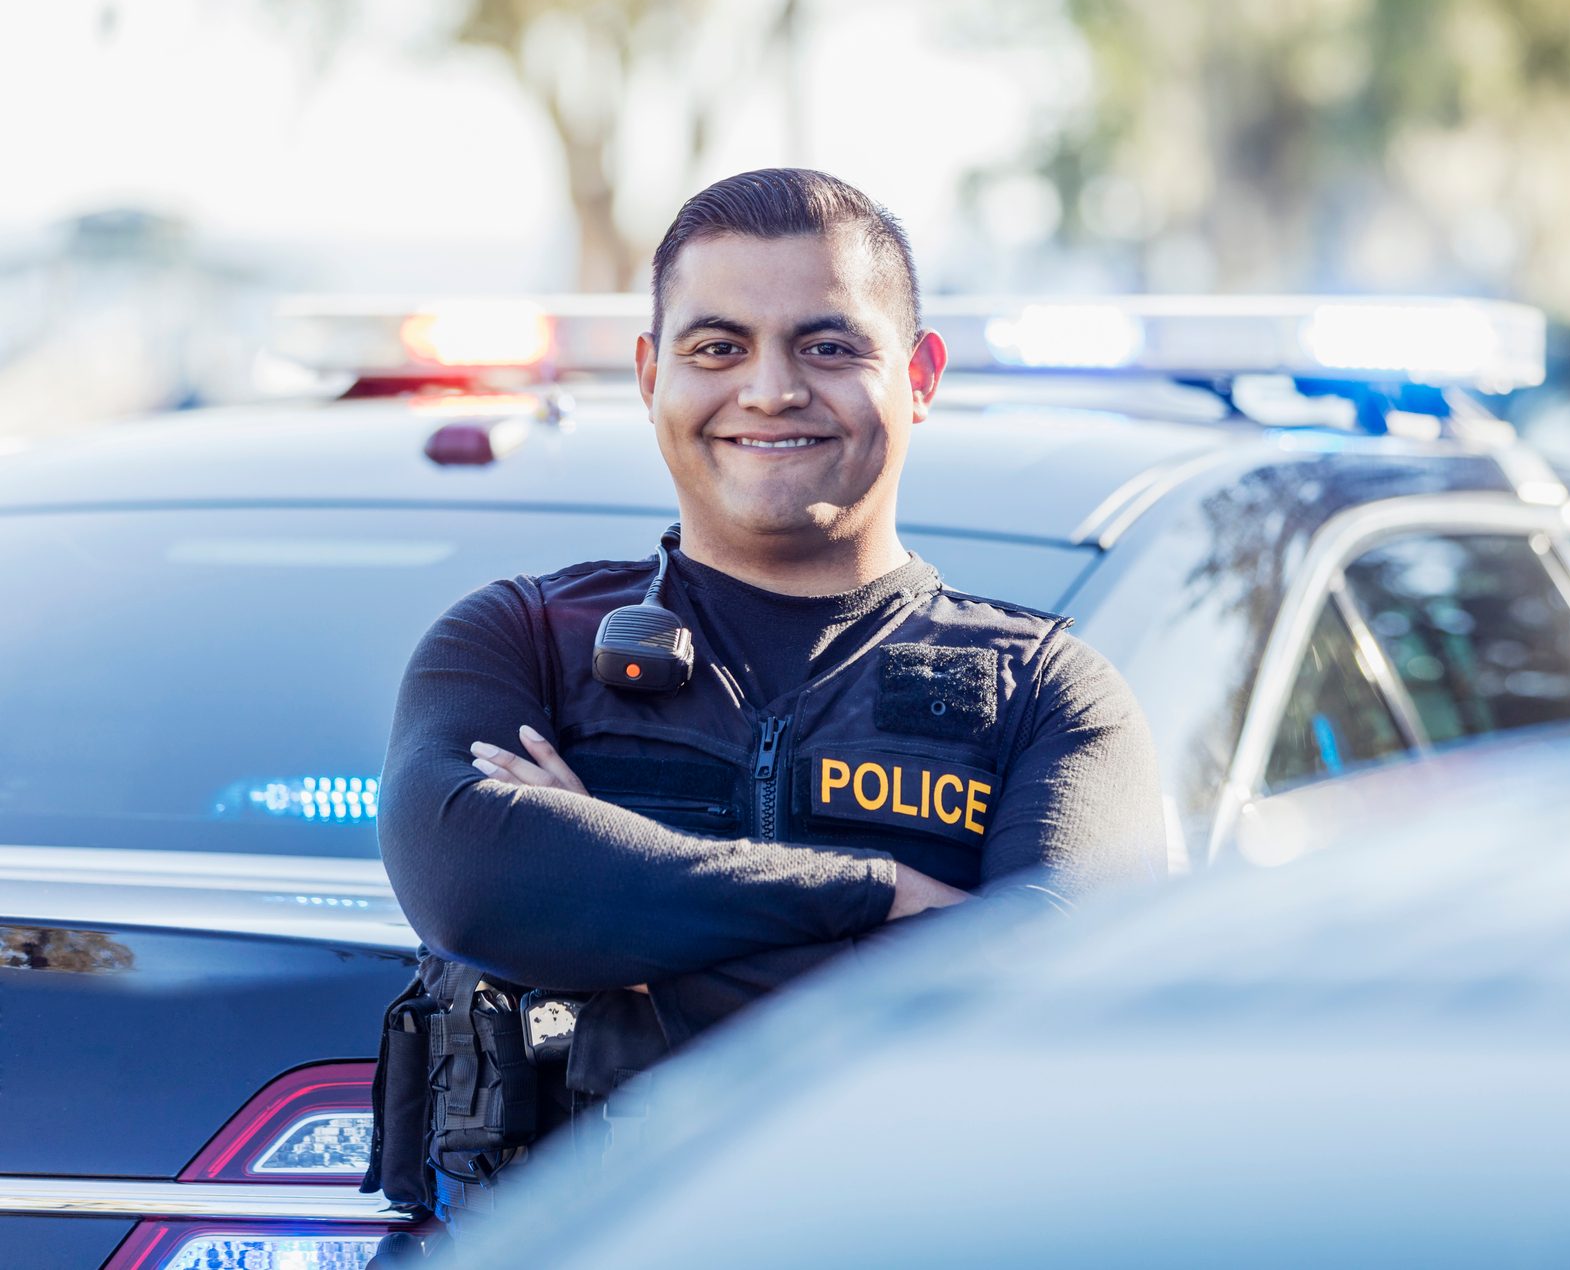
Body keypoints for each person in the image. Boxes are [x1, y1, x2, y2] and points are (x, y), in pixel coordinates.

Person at [373, 168, 1165, 1225]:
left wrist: (612, 903)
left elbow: (1039, 1005)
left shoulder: (1047, 691)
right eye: (718, 348)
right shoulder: (516, 642)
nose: (772, 389)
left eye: (829, 347)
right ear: (651, 373)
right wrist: (881, 892)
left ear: (920, 375)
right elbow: (475, 882)